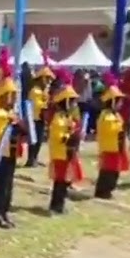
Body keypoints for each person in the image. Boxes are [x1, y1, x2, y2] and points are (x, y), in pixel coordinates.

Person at [0, 50, 26, 228]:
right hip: (0, 153)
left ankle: (4, 210)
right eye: (10, 95)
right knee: (0, 184)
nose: (13, 99)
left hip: (11, 152)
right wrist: (15, 126)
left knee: (8, 184)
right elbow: (1, 134)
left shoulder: (10, 113)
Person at [46, 69, 84, 215]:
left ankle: (60, 204)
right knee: (60, 181)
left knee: (64, 180)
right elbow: (59, 137)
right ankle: (56, 205)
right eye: (72, 101)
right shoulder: (58, 119)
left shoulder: (66, 117)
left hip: (67, 154)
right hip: (60, 155)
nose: (74, 104)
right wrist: (70, 135)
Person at [93, 72, 128, 200]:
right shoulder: (106, 115)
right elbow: (110, 130)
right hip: (109, 148)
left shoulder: (115, 115)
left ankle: (109, 190)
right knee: (107, 171)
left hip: (117, 148)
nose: (121, 104)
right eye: (119, 101)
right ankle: (103, 191)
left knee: (114, 171)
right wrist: (119, 129)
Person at [24, 58, 55, 166]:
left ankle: (35, 158)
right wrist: (47, 102)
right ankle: (30, 159)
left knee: (40, 139)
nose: (48, 82)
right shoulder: (35, 91)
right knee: (34, 140)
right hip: (34, 118)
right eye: (47, 79)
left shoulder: (43, 90)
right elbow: (38, 105)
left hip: (40, 119)